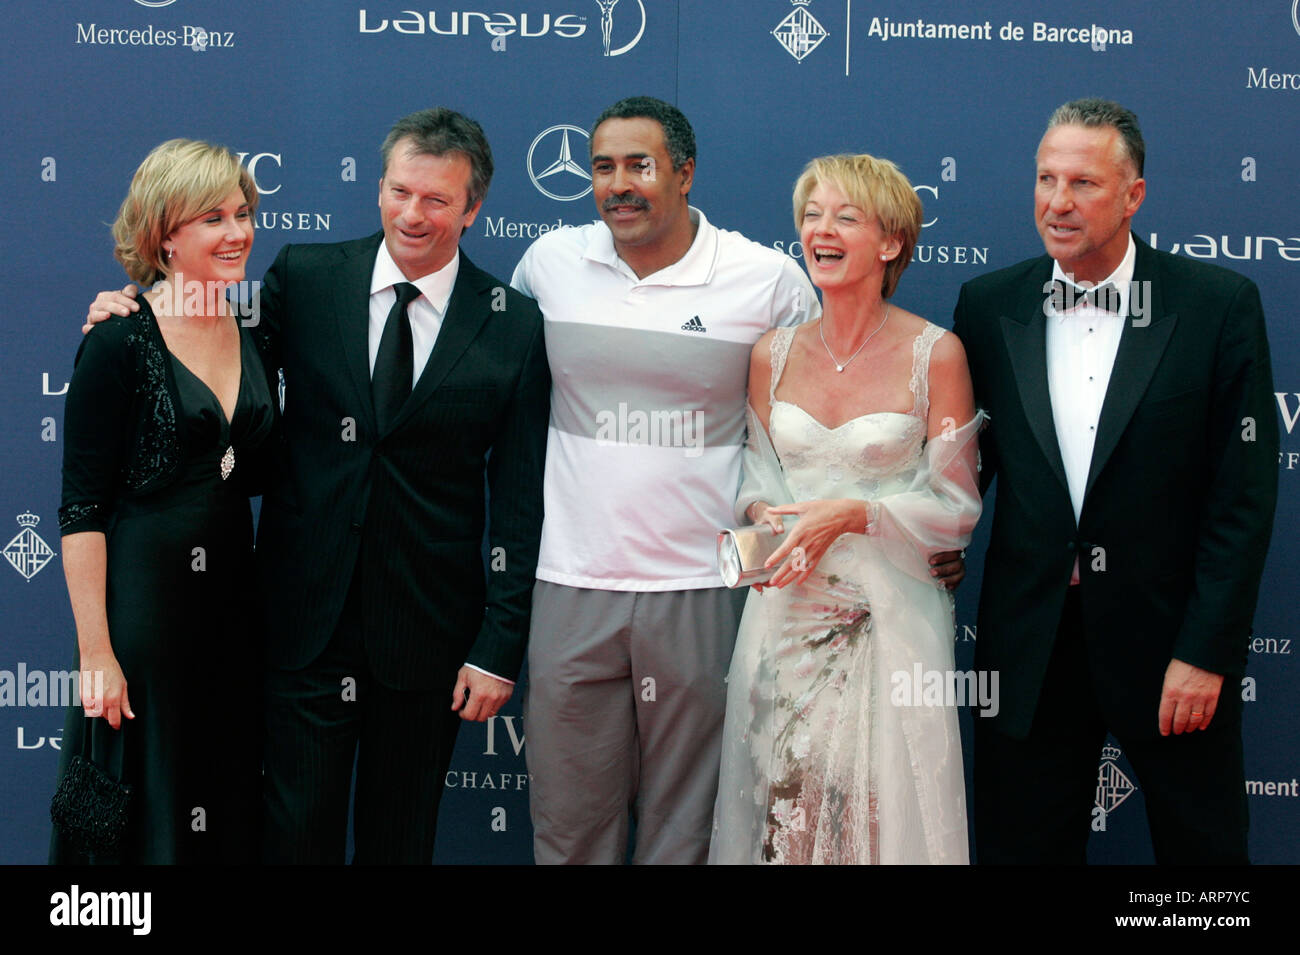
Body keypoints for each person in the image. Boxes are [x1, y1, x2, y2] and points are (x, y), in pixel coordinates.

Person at [86, 108, 550, 864]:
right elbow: (210, 348)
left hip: (427, 636)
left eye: (437, 200)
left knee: (400, 843)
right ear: (379, 189)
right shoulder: (307, 277)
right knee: (293, 838)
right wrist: (131, 313)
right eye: (400, 191)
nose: (413, 214)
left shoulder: (513, 326)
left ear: (473, 209)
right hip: (301, 625)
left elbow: (521, 498)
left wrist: (499, 645)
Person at [512, 98, 965, 864]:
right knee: (569, 818)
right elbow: (753, 467)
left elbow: (935, 490)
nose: (619, 184)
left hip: (713, 590)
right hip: (585, 581)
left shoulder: (766, 280)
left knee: (692, 825)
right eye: (603, 167)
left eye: (641, 165)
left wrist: (894, 527)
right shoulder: (547, 266)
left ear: (685, 174)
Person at [952, 98, 1277, 864]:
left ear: (1134, 195)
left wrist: (1208, 650)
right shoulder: (989, 304)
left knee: (1205, 865)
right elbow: (960, 473)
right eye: (1045, 179)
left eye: (1084, 183)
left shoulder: (1217, 305)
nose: (1057, 202)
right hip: (1030, 647)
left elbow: (1244, 496)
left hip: (1171, 645)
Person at [709, 154, 982, 864]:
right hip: (786, 615)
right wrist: (770, 512)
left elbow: (954, 504)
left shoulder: (937, 354)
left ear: (890, 242)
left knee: (876, 814)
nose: (820, 230)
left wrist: (855, 514)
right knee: (785, 807)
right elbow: (755, 473)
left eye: (844, 217)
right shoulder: (771, 352)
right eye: (811, 215)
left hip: (888, 620)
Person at [54, 139, 271, 863]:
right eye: (212, 217)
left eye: (241, 213)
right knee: (142, 815)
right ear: (164, 236)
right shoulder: (118, 341)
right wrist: (95, 654)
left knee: (220, 800)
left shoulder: (255, 328)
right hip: (144, 623)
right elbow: (82, 509)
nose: (237, 231)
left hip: (235, 615)